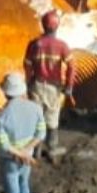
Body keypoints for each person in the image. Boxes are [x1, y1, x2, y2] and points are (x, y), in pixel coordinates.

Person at [0, 72, 45, 193]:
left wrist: (19, 153)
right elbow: (41, 133)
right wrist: (27, 151)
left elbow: (4, 144)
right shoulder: (35, 108)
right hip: (27, 158)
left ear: (5, 92)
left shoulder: (1, 116)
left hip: (10, 160)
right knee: (24, 184)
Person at [22, 11, 76, 162]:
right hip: (54, 87)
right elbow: (72, 66)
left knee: (37, 118)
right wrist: (69, 86)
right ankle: (52, 150)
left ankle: (36, 151)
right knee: (52, 119)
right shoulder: (62, 46)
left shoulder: (34, 44)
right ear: (57, 26)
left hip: (37, 85)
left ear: (43, 25)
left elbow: (27, 65)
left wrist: (28, 82)